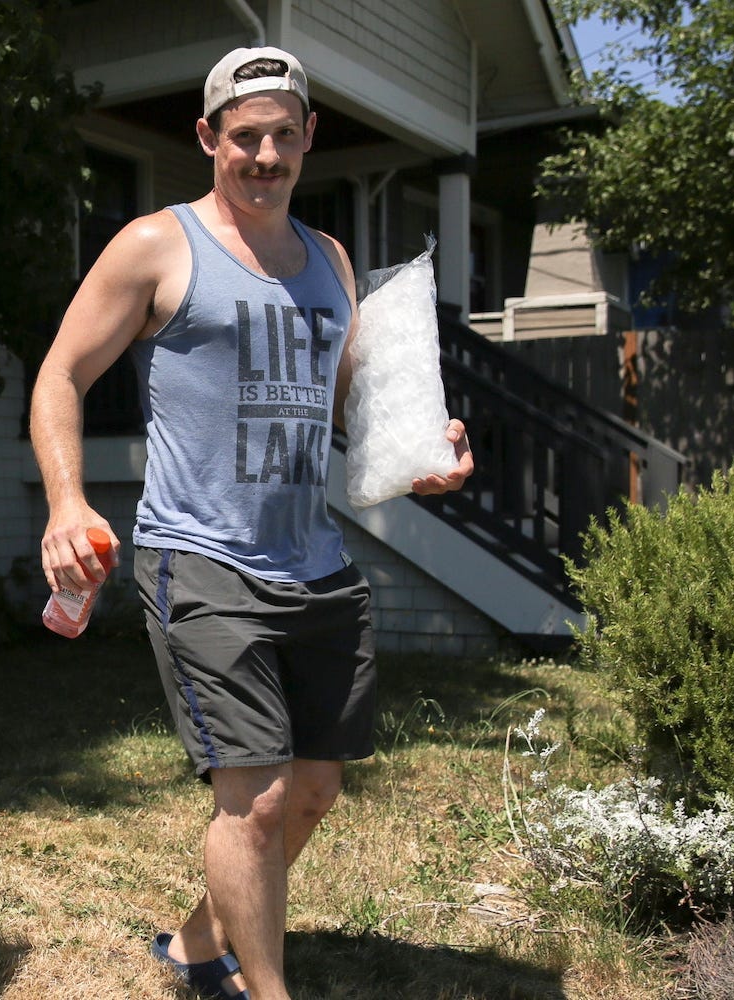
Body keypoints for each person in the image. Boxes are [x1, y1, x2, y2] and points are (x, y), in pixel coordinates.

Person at [28, 47, 472, 1000]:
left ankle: (195, 944)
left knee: (312, 791)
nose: (264, 156)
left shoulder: (333, 262)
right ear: (207, 139)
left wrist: (419, 454)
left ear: (309, 136)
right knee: (258, 797)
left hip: (314, 562)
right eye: (244, 137)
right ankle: (260, 990)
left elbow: (344, 405)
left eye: (282, 135)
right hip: (201, 560)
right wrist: (68, 499)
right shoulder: (158, 245)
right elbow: (60, 376)